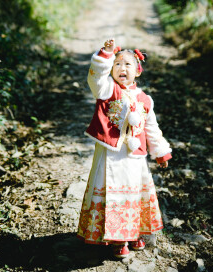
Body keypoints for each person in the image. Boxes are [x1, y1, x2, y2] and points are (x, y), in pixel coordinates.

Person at [77, 38, 172, 259]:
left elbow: (151, 128)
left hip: (135, 158)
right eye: (117, 64)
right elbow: (96, 78)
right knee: (111, 192)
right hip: (110, 154)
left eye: (128, 64)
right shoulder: (107, 90)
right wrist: (106, 54)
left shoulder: (145, 99)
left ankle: (134, 231)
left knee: (135, 193)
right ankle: (118, 239)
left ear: (138, 72)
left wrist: (160, 152)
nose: (122, 68)